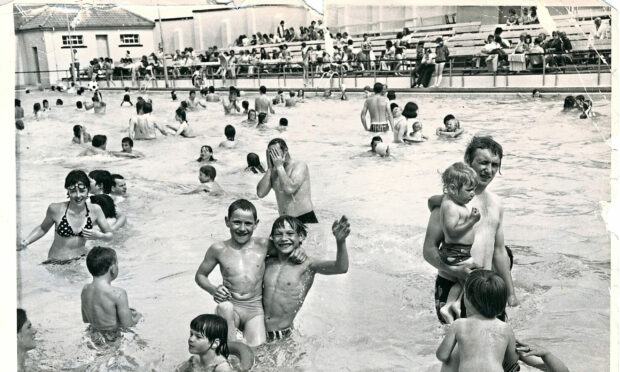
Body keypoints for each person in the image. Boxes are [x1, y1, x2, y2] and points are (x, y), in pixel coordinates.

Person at [423, 136, 518, 326]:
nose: (488, 170)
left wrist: (510, 292)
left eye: (494, 164)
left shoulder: (496, 203)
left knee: (495, 348)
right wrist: (455, 270)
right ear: (468, 161)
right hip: (453, 283)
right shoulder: (450, 203)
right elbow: (428, 250)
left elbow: (499, 251)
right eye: (483, 162)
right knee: (455, 350)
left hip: (487, 286)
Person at [194, 199, 306, 347]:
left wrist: (299, 249)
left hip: (254, 309)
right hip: (231, 307)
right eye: (236, 222)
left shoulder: (264, 245)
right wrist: (213, 289)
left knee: (257, 351)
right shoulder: (218, 249)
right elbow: (200, 276)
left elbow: (285, 246)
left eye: (248, 223)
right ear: (227, 221)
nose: (242, 228)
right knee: (225, 314)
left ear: (256, 224)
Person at [263, 215, 350, 341]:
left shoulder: (308, 265)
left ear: (301, 237)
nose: (284, 238)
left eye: (290, 233)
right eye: (278, 234)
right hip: (256, 332)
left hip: (282, 336)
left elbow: (341, 267)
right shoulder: (266, 261)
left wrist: (340, 242)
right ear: (271, 238)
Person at [19, 170, 113, 262]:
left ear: (88, 190)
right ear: (68, 191)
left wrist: (100, 236)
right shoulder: (56, 209)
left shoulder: (95, 210)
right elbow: (43, 228)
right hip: (56, 263)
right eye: (73, 191)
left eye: (82, 191)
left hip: (81, 261)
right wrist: (25, 242)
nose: (78, 195)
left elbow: (110, 235)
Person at [436, 270, 519, 372]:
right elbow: (512, 360)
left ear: (468, 300)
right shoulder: (506, 328)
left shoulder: (459, 324)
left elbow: (442, 356)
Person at [436, 163, 480, 324]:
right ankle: (450, 305)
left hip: (459, 252)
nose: (473, 194)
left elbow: (433, 199)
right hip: (456, 252)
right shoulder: (450, 206)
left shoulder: (453, 202)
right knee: (474, 274)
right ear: (453, 189)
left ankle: (451, 305)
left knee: (462, 280)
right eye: (469, 190)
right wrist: (472, 221)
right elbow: (452, 231)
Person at [81, 247, 141, 336]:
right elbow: (127, 325)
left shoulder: (85, 290)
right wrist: (137, 317)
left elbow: (86, 320)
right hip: (112, 338)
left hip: (93, 335)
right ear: (112, 268)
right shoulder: (118, 294)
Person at [257, 138, 318, 223]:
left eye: (276, 152)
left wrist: (279, 167)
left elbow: (289, 189)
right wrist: (270, 169)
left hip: (305, 218)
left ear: (285, 150)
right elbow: (260, 193)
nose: (273, 156)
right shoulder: (274, 172)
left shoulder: (299, 165)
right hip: (285, 220)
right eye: (271, 153)